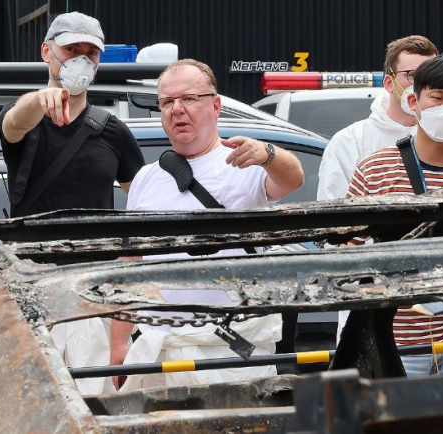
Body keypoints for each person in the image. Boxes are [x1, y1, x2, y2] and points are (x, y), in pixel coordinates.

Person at [109, 59, 304, 391]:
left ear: (215, 105)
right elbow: (130, 265)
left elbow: (294, 178)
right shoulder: (145, 179)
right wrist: (118, 344)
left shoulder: (243, 159)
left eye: (189, 98)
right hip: (162, 347)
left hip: (234, 350)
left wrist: (269, 153)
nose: (177, 109)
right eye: (167, 102)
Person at [345, 53, 443, 376]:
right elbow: (345, 248)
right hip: (396, 346)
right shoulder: (374, 170)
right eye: (437, 97)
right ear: (413, 101)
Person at [0, 11, 144, 217]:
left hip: (96, 248)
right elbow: (13, 124)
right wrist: (40, 99)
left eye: (91, 53)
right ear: (46, 52)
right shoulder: (27, 119)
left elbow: (144, 200)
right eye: (71, 49)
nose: (81, 60)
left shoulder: (113, 131)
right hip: (35, 248)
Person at [317, 35, 438, 201]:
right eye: (412, 75)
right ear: (389, 83)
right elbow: (333, 213)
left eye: (432, 77)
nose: (423, 85)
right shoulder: (350, 142)